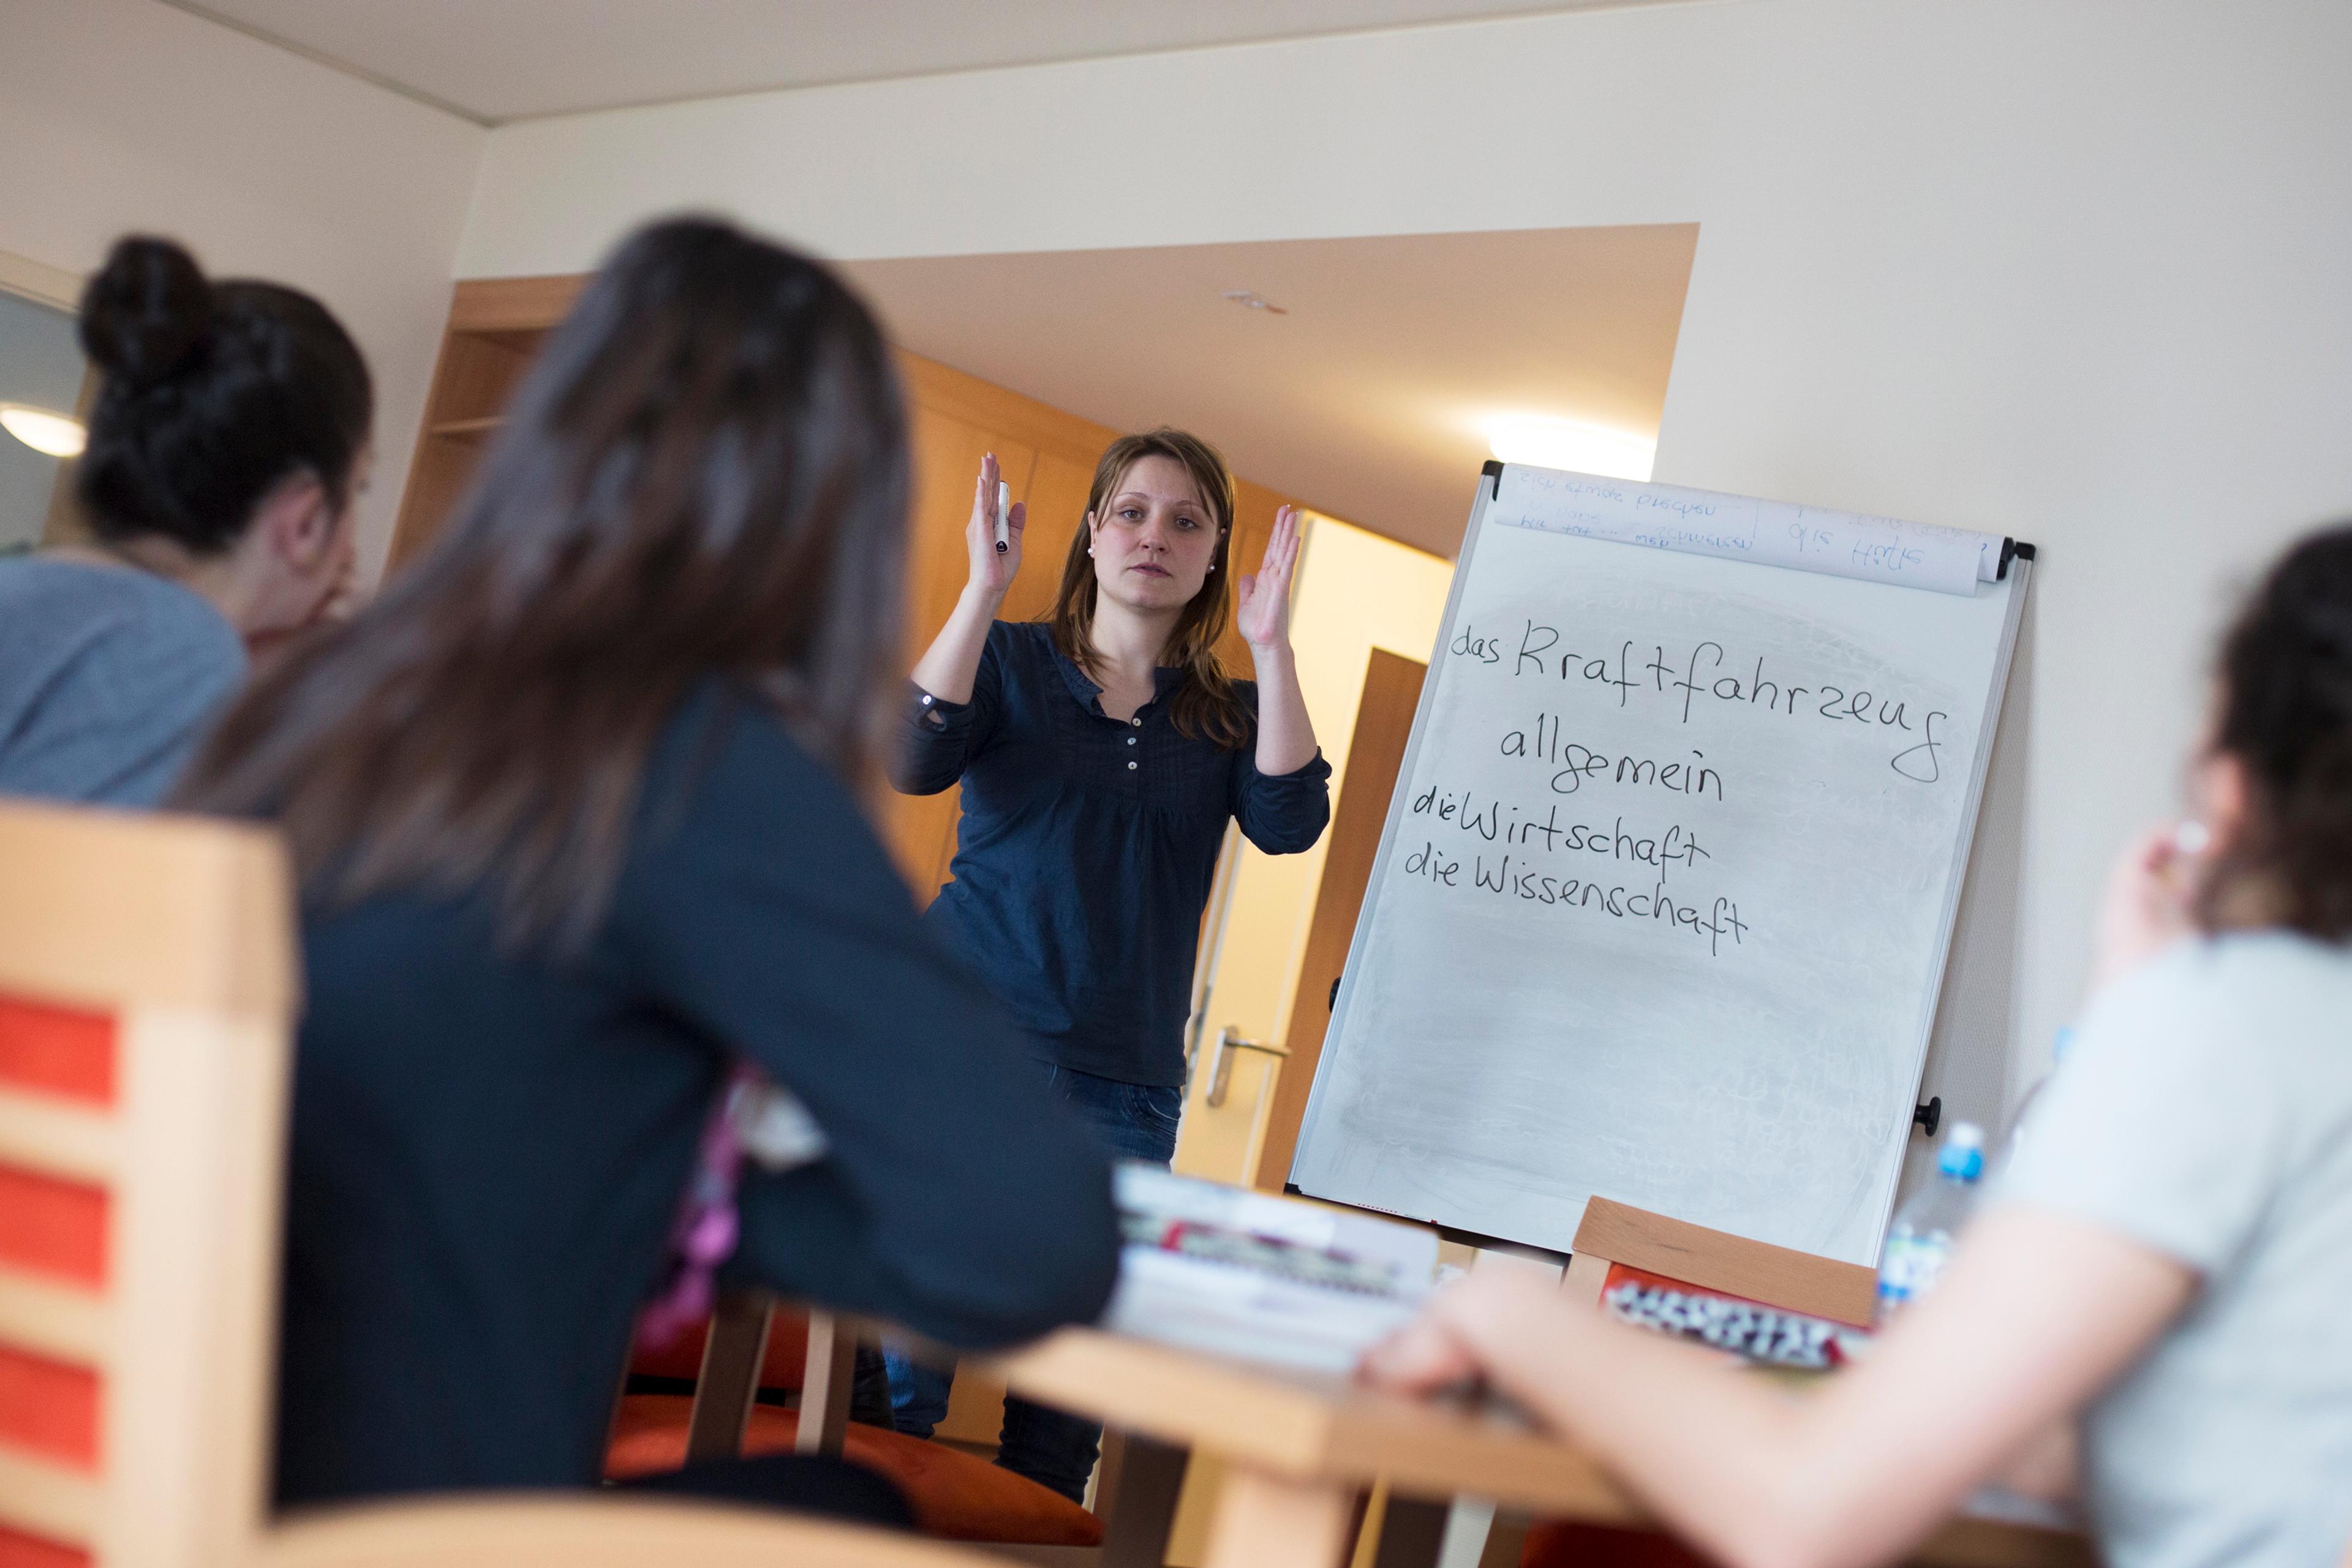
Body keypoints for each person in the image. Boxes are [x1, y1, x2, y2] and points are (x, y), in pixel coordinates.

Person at [176, 217, 1120, 1521]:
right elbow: (1034, 1242)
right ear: (828, 523)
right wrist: (703, 1202)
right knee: (854, 1507)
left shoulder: (313, 708)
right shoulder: (693, 763)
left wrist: (641, 1173)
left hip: (165, 1494)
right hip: (418, 1532)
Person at [1360, 522, 2352, 1568]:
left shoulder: (2231, 1027)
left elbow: (1805, 1509)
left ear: (2234, 781)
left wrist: (1506, 1306)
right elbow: (2104, 1443)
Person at [886, 431, 1332, 1500]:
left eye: (1187, 522)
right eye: (1132, 512)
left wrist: (1273, 651)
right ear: (1093, 532)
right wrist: (981, 591)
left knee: (1066, 1411)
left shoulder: (1224, 712)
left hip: (1125, 1088)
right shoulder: (1010, 660)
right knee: (900, 1379)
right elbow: (911, 756)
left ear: (1216, 557)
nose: (1154, 537)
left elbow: (1291, 820)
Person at [0, 236, 367, 806]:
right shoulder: (175, 649)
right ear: (306, 520)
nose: (351, 554)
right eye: (359, 489)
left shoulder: (25, 587)